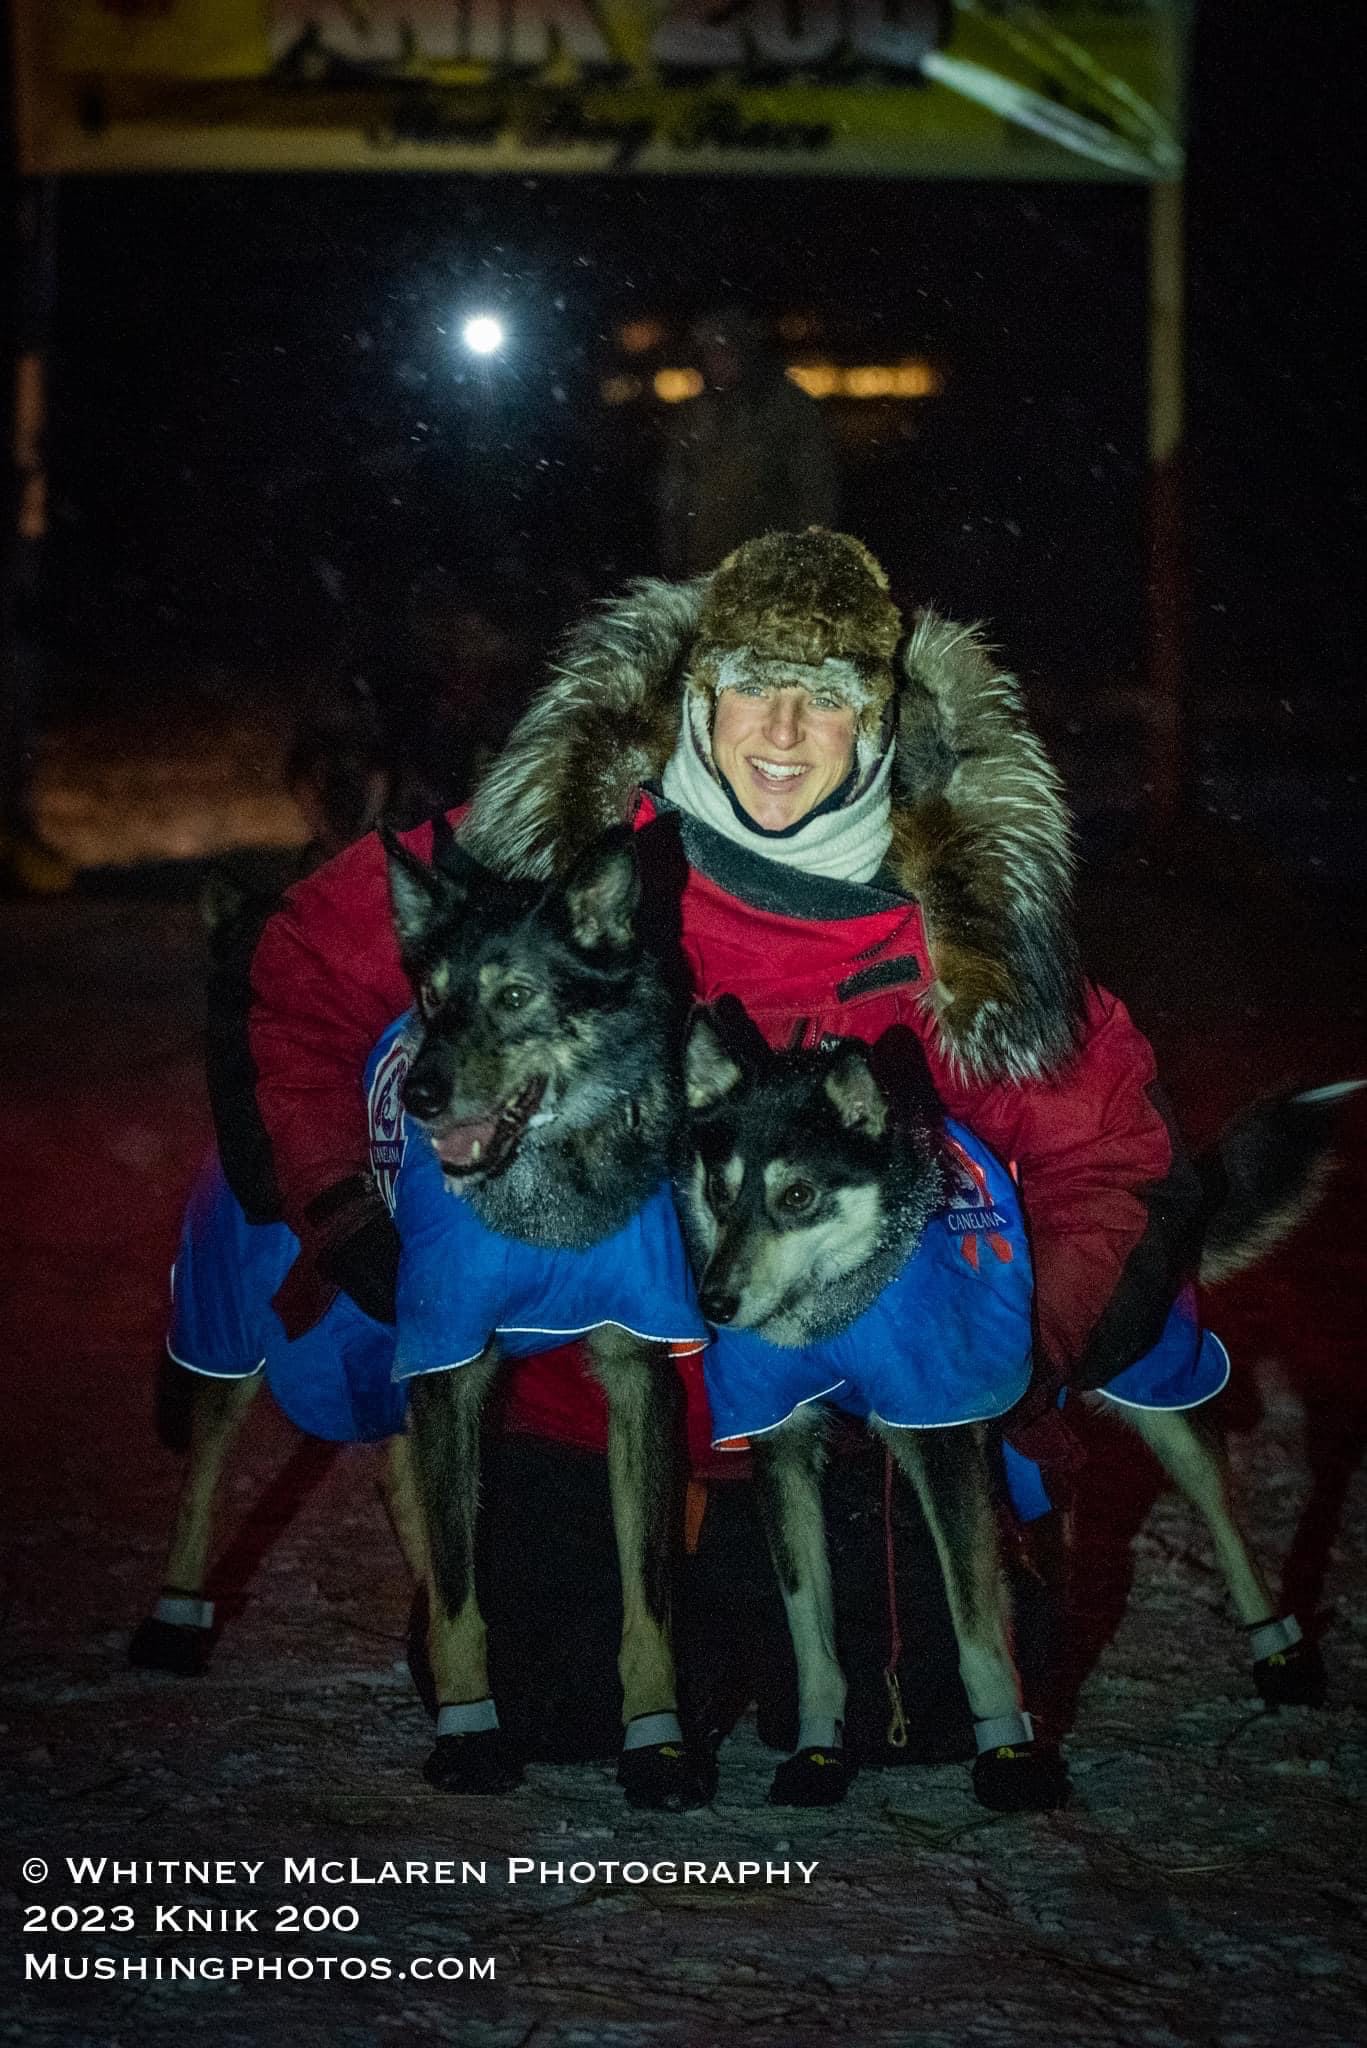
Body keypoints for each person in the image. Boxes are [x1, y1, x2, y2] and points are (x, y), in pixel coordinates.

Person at [212, 529, 1208, 1762]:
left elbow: (1106, 1157)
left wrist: (1002, 1357)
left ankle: (898, 1562)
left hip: (833, 1409)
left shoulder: (956, 927)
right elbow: (305, 972)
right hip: (584, 1389)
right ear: (694, 692)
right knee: (547, 1707)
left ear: (880, 718)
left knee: (915, 1718)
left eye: (829, 698)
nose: (781, 731)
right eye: (747, 684)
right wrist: (344, 1206)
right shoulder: (555, 850)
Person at [656, 309, 838, 578]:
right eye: (709, 353)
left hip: (768, 567)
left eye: (725, 352)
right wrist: (674, 554)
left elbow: (814, 487)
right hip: (706, 567)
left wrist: (806, 559)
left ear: (745, 354)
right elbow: (677, 487)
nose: (716, 362)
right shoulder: (695, 412)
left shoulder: (784, 407)